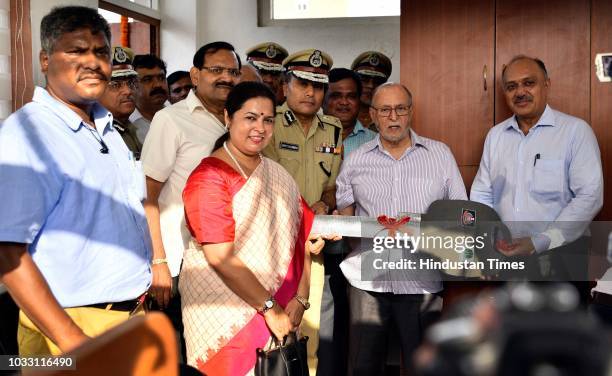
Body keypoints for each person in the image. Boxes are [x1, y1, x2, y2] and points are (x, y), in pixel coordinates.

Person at [0, 6, 151, 356]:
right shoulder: (29, 134)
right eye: (76, 51)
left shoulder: (107, 127)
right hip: (69, 328)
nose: (92, 62)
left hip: (128, 318)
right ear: (44, 60)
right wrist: (71, 340)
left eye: (100, 52)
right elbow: (8, 252)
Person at [180, 81, 332, 375]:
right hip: (222, 314)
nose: (260, 128)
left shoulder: (276, 173)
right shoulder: (209, 177)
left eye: (268, 120)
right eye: (250, 117)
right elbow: (219, 256)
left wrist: (301, 298)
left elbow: (301, 234)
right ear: (227, 117)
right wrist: (270, 309)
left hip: (282, 309)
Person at [336, 83, 467, 375]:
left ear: (411, 112)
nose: (393, 117)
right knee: (362, 366)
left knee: (425, 367)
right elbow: (345, 215)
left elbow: (461, 213)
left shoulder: (439, 154)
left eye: (400, 109)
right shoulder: (356, 161)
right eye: (385, 110)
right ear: (373, 115)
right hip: (367, 281)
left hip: (421, 280)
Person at [140, 41, 241, 362]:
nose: (226, 77)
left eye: (232, 72)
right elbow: (147, 194)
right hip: (177, 264)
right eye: (217, 70)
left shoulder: (239, 121)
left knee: (213, 353)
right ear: (195, 75)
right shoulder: (171, 120)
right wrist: (159, 261)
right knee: (172, 357)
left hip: (225, 260)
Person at [470, 56, 603, 279]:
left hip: (561, 257)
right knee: (510, 314)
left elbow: (589, 196)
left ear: (546, 84)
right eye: (511, 87)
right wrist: (488, 241)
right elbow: (482, 193)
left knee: (563, 315)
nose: (520, 92)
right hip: (508, 256)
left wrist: (539, 242)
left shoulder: (575, 132)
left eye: (528, 83)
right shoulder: (496, 136)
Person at [263, 48, 342, 375]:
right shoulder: (270, 122)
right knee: (269, 337)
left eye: (318, 86)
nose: (311, 92)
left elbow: (331, 185)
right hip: (272, 243)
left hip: (313, 247)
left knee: (309, 335)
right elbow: (264, 183)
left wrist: (325, 204)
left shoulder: (333, 128)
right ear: (285, 86)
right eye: (302, 83)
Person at [98, 46, 142, 158]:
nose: (128, 91)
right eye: (115, 85)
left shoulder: (128, 126)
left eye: (131, 83)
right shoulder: (97, 132)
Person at [324, 68, 376, 157]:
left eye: (351, 96)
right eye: (336, 96)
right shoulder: (307, 137)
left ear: (359, 101)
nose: (344, 102)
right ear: (322, 100)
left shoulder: (375, 141)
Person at [130, 54, 169, 142]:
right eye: (147, 79)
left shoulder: (177, 114)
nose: (158, 85)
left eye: (161, 78)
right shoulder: (127, 124)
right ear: (133, 85)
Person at [351, 51, 392, 130]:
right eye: (364, 79)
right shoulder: (339, 117)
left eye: (377, 81)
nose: (371, 85)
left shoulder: (391, 120)